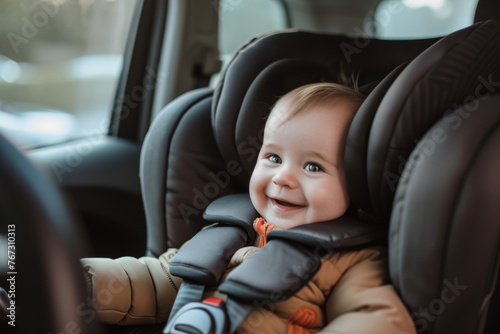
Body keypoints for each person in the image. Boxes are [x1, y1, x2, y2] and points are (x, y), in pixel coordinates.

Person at [81, 82, 416, 334]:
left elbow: (377, 320)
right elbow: (156, 282)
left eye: (313, 167)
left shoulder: (352, 259)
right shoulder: (226, 233)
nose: (283, 177)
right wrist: (79, 280)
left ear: (356, 182)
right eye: (273, 157)